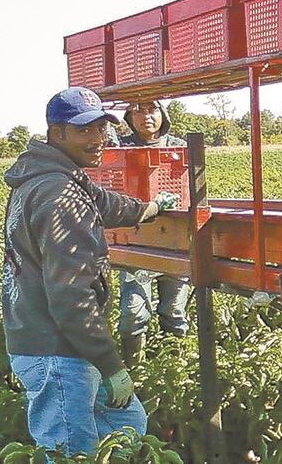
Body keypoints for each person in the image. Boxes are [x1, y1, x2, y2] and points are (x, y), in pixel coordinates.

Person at [1, 87, 179, 456]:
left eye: (100, 128)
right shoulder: (59, 195)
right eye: (84, 130)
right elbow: (71, 296)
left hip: (53, 342)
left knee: (126, 426)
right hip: (58, 349)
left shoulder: (53, 178)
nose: (98, 139)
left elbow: (104, 203)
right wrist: (112, 366)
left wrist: (150, 208)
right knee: (72, 452)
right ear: (57, 134)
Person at [114, 100, 190, 366]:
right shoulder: (120, 147)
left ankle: (174, 367)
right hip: (136, 241)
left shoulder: (179, 146)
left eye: (152, 109)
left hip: (176, 239)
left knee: (174, 310)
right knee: (133, 314)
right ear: (129, 117)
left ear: (163, 114)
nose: (147, 116)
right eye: (139, 110)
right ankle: (135, 369)